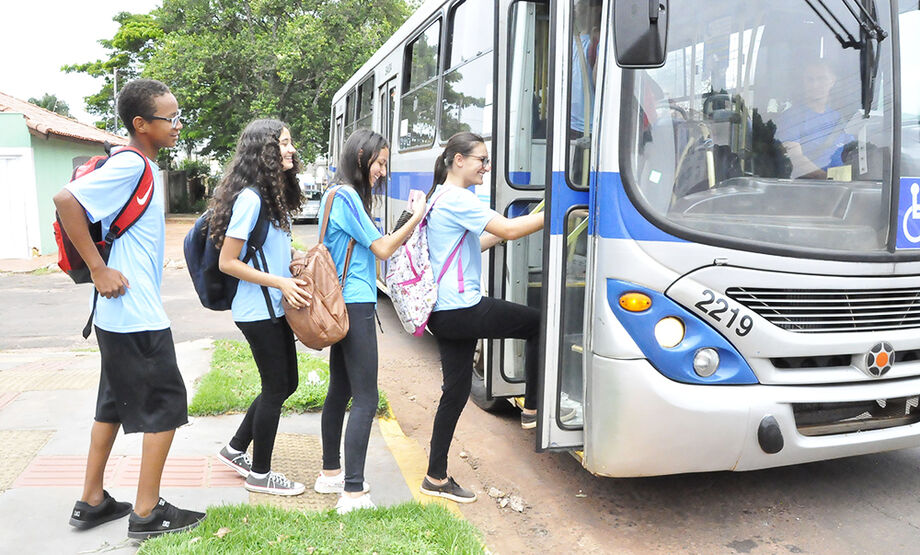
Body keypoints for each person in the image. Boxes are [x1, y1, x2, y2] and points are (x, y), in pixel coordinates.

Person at [53, 79, 206, 539]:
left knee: (112, 406)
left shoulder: (140, 166)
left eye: (179, 117)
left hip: (117, 315)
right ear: (141, 125)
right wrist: (98, 268)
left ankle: (93, 500)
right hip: (135, 314)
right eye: (170, 118)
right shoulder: (133, 164)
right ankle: (147, 512)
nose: (178, 126)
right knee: (167, 405)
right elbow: (66, 200)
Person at [419, 132, 548, 504]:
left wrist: (505, 235)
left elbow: (473, 243)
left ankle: (436, 476)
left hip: (444, 312)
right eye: (481, 160)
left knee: (455, 393)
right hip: (462, 308)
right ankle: (533, 408)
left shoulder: (440, 197)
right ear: (458, 160)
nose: (486, 167)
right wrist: (556, 211)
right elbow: (507, 227)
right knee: (537, 323)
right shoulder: (457, 198)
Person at [314, 128, 426, 514]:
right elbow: (382, 248)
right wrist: (417, 218)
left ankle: (330, 474)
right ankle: (354, 492)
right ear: (361, 158)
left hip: (341, 305)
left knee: (340, 391)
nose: (382, 171)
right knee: (366, 397)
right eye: (379, 163)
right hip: (356, 304)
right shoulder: (346, 195)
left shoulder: (334, 195)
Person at [211, 119, 310, 496]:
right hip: (257, 312)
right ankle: (261, 474)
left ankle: (236, 448)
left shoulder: (271, 198)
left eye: (290, 143)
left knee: (288, 383)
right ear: (264, 151)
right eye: (284, 144)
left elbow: (271, 251)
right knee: (275, 388)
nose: (291, 150)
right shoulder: (251, 198)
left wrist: (296, 258)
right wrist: (282, 282)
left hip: (274, 309)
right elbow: (228, 261)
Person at [777, 60, 855, 179]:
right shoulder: (791, 117)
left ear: (832, 81)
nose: (815, 85)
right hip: (810, 187)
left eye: (821, 79)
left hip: (843, 186)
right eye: (810, 80)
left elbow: (852, 151)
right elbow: (796, 159)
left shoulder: (837, 118)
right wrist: (828, 179)